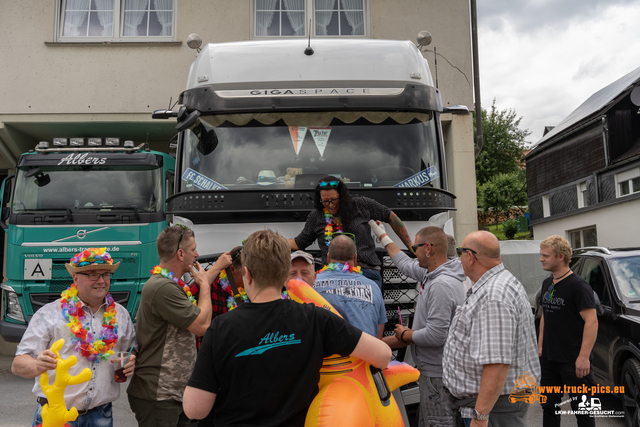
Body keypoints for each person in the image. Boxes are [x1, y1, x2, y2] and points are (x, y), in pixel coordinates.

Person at [183, 229, 392, 425]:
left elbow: (195, 410)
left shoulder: (220, 328)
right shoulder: (317, 319)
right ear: (285, 276)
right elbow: (382, 354)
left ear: (247, 274)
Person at [12, 248, 137, 427]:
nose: (101, 281)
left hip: (101, 415)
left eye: (106, 274)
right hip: (55, 416)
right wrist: (37, 365)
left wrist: (132, 359)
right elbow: (18, 365)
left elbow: (132, 351)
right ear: (76, 279)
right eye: (93, 275)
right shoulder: (49, 314)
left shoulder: (121, 315)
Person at [128, 225, 228, 427]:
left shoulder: (171, 284)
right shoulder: (163, 287)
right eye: (193, 250)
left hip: (173, 392)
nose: (197, 255)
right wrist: (206, 288)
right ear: (180, 253)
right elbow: (202, 325)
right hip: (160, 393)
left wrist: (211, 273)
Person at [371, 222, 465, 427]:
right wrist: (382, 234)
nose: (414, 253)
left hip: (437, 376)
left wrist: (406, 335)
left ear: (428, 248)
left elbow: (436, 335)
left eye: (415, 248)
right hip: (434, 373)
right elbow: (404, 263)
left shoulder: (441, 285)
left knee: (437, 423)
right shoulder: (433, 274)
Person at [442, 231, 540, 427]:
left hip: (494, 408)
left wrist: (480, 418)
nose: (459, 257)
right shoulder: (495, 285)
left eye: (460, 252)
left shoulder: (494, 295)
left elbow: (497, 363)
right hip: (493, 405)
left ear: (470, 256)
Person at [288, 176, 413, 289]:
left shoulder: (361, 205)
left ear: (342, 196)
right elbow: (300, 242)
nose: (330, 205)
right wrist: (272, 242)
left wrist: (410, 246)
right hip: (332, 277)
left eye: (334, 200)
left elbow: (391, 217)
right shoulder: (316, 216)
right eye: (325, 201)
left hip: (366, 272)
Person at [538, 235, 597, 427]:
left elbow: (591, 321)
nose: (541, 259)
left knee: (583, 410)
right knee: (549, 407)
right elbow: (545, 315)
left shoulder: (578, 286)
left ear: (561, 256)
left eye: (546, 255)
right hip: (549, 359)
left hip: (573, 361)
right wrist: (541, 347)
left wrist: (583, 357)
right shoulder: (547, 283)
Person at [314, 234, 387, 338]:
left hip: (326, 352)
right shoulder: (373, 287)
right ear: (355, 258)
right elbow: (378, 337)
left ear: (328, 257)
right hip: (364, 352)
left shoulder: (312, 283)